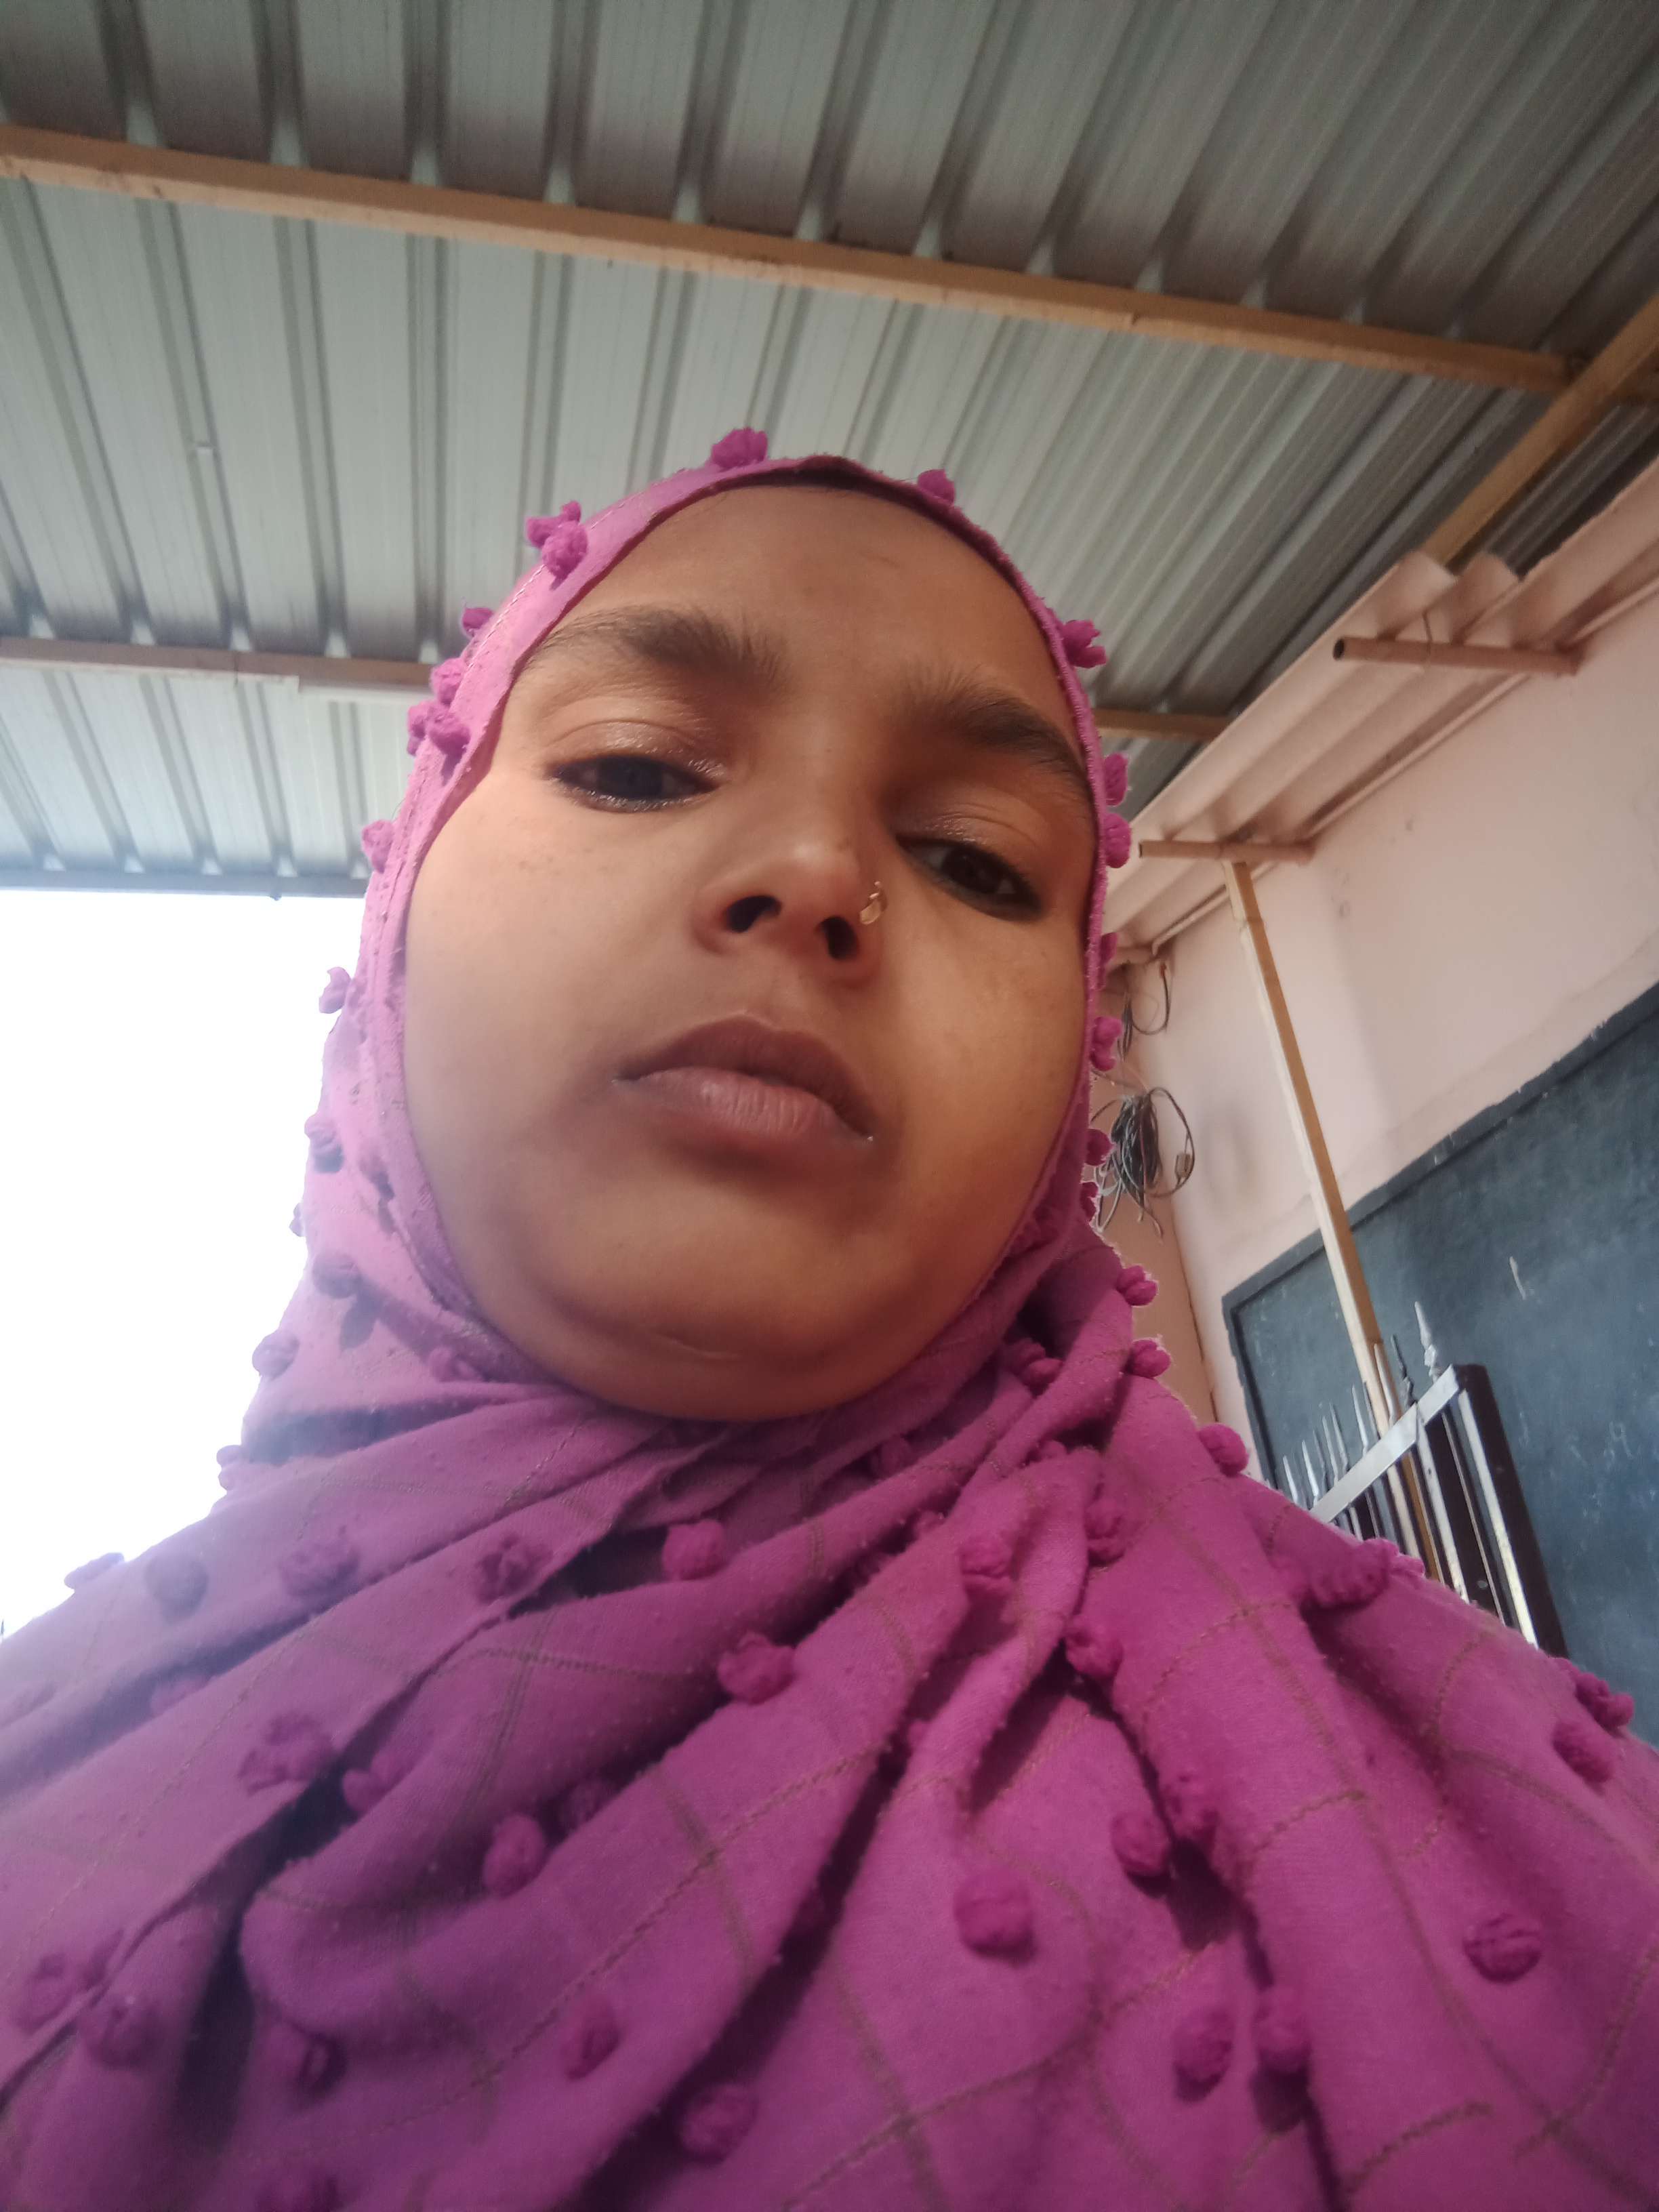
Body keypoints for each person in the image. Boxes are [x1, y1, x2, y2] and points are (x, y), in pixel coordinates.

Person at [0, 436, 1654, 2212]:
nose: (812, 875)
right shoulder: (54, 1781)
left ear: (1073, 1076)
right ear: (397, 917)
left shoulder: (1546, 1869)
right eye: (635, 767)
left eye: (979, 863)